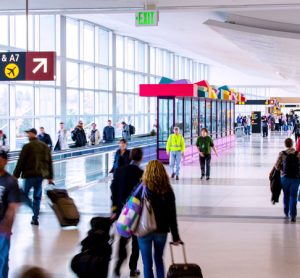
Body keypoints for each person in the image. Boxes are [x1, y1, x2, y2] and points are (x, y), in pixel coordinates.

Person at [137, 160, 182, 278]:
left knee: (147, 264)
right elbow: (172, 215)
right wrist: (175, 236)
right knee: (159, 260)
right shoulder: (168, 190)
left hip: (143, 229)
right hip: (161, 230)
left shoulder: (141, 187)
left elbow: (132, 206)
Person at [111, 148, 144, 277]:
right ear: (140, 158)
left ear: (130, 157)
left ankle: (117, 268)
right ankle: (133, 269)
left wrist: (114, 208)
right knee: (136, 242)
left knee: (123, 240)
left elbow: (113, 190)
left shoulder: (119, 172)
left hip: (122, 212)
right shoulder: (142, 174)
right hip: (136, 213)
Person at [13, 128, 54, 226]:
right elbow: (49, 162)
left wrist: (15, 175)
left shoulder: (27, 146)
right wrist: (50, 177)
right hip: (40, 176)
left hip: (29, 175)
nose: (27, 135)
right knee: (37, 197)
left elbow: (21, 162)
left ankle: (33, 209)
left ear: (33, 134)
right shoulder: (44, 146)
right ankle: (35, 217)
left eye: (28, 133)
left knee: (23, 195)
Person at [0, 150, 21, 278]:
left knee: (2, 259)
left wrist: (7, 227)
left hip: (2, 226)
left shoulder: (10, 181)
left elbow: (13, 206)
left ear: (6, 161)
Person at [273, 138, 300, 222]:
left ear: (285, 144)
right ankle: (293, 215)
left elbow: (277, 166)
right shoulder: (298, 154)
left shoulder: (282, 153)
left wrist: (282, 169)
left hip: (284, 178)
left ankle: (286, 212)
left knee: (286, 195)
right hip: (295, 178)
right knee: (293, 197)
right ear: (292, 144)